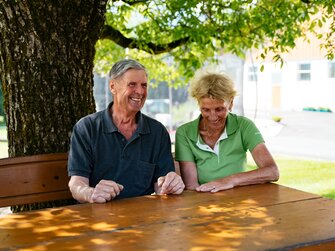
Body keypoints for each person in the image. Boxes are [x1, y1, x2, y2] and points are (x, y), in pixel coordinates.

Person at [68, 59, 185, 203]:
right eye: (132, 85)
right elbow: (76, 184)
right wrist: (91, 193)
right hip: (99, 215)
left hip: (144, 216)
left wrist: (171, 185)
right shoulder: (86, 128)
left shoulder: (157, 131)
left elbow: (160, 185)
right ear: (113, 86)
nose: (140, 91)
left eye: (144, 85)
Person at [175, 70, 279, 193]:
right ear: (199, 104)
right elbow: (192, 186)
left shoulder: (244, 126)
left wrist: (230, 180)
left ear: (231, 103)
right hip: (203, 200)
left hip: (238, 198)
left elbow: (272, 171)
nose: (213, 117)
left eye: (219, 109)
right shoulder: (184, 133)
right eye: (206, 110)